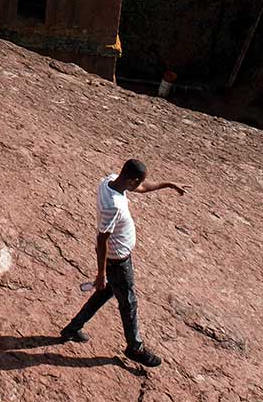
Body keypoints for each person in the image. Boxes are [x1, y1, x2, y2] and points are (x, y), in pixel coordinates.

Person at [58, 158, 188, 368]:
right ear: (130, 181)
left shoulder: (109, 181)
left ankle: (73, 328)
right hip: (118, 262)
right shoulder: (113, 206)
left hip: (117, 260)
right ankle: (134, 347)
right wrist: (101, 274)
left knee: (104, 294)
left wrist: (168, 184)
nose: (139, 186)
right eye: (137, 183)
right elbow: (102, 240)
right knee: (128, 304)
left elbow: (143, 187)